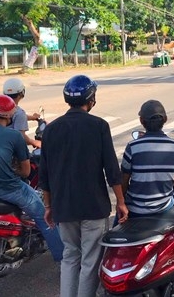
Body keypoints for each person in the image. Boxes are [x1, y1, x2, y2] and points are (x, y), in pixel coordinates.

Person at [38, 75, 128, 297]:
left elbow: (44, 174)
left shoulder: (51, 129)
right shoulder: (99, 126)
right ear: (91, 99)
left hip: (63, 207)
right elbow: (111, 170)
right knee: (90, 259)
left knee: (70, 256)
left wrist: (48, 206)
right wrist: (121, 202)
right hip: (93, 206)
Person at [0, 95, 64, 262]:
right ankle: (64, 259)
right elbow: (26, 172)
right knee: (45, 217)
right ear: (10, 116)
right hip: (9, 189)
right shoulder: (14, 136)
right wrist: (15, 170)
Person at [121, 100, 174, 218]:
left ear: (141, 121)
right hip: (163, 207)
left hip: (135, 208)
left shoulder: (132, 147)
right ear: (165, 119)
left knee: (118, 221)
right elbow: (173, 182)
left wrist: (121, 203)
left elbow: (124, 181)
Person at [3, 78, 41, 149]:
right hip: (11, 149)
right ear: (22, 93)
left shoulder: (0, 108)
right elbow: (20, 137)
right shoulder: (19, 113)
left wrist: (33, 117)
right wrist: (35, 142)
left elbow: (17, 117)